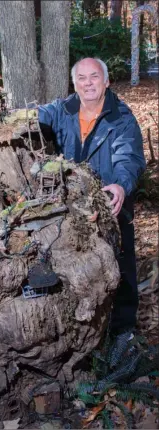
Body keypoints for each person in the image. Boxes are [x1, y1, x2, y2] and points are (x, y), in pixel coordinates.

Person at [38, 57, 146, 341]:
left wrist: (120, 186)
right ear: (75, 84)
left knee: (120, 267)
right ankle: (83, 332)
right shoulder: (62, 110)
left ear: (106, 81)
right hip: (72, 207)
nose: (88, 83)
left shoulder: (121, 117)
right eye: (82, 78)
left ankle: (124, 334)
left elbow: (129, 158)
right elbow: (33, 118)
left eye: (94, 77)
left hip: (110, 203)